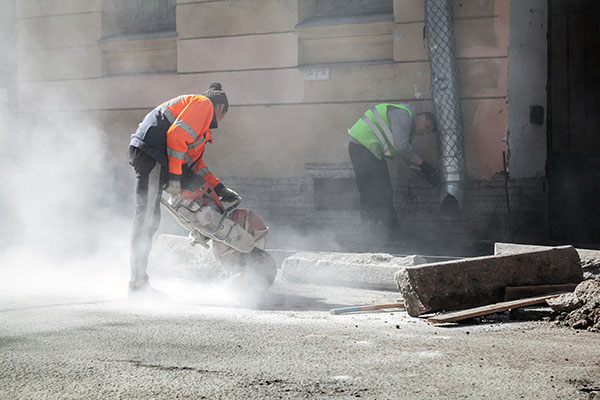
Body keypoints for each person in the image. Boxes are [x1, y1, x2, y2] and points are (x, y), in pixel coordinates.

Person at [128, 82, 240, 295]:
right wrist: (174, 179)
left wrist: (220, 188)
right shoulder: (203, 104)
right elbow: (176, 137)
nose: (222, 120)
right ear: (220, 107)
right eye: (224, 114)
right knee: (146, 218)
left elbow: (195, 164)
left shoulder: (199, 122)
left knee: (151, 219)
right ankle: (137, 284)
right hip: (152, 153)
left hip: (155, 155)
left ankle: (139, 281)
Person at [348, 103, 438, 239]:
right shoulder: (404, 116)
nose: (424, 132)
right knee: (374, 190)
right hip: (363, 146)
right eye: (426, 126)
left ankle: (382, 231)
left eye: (427, 132)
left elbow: (404, 157)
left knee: (381, 190)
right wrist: (425, 167)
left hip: (368, 149)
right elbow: (402, 148)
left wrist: (423, 173)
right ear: (420, 117)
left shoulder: (406, 130)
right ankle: (380, 232)